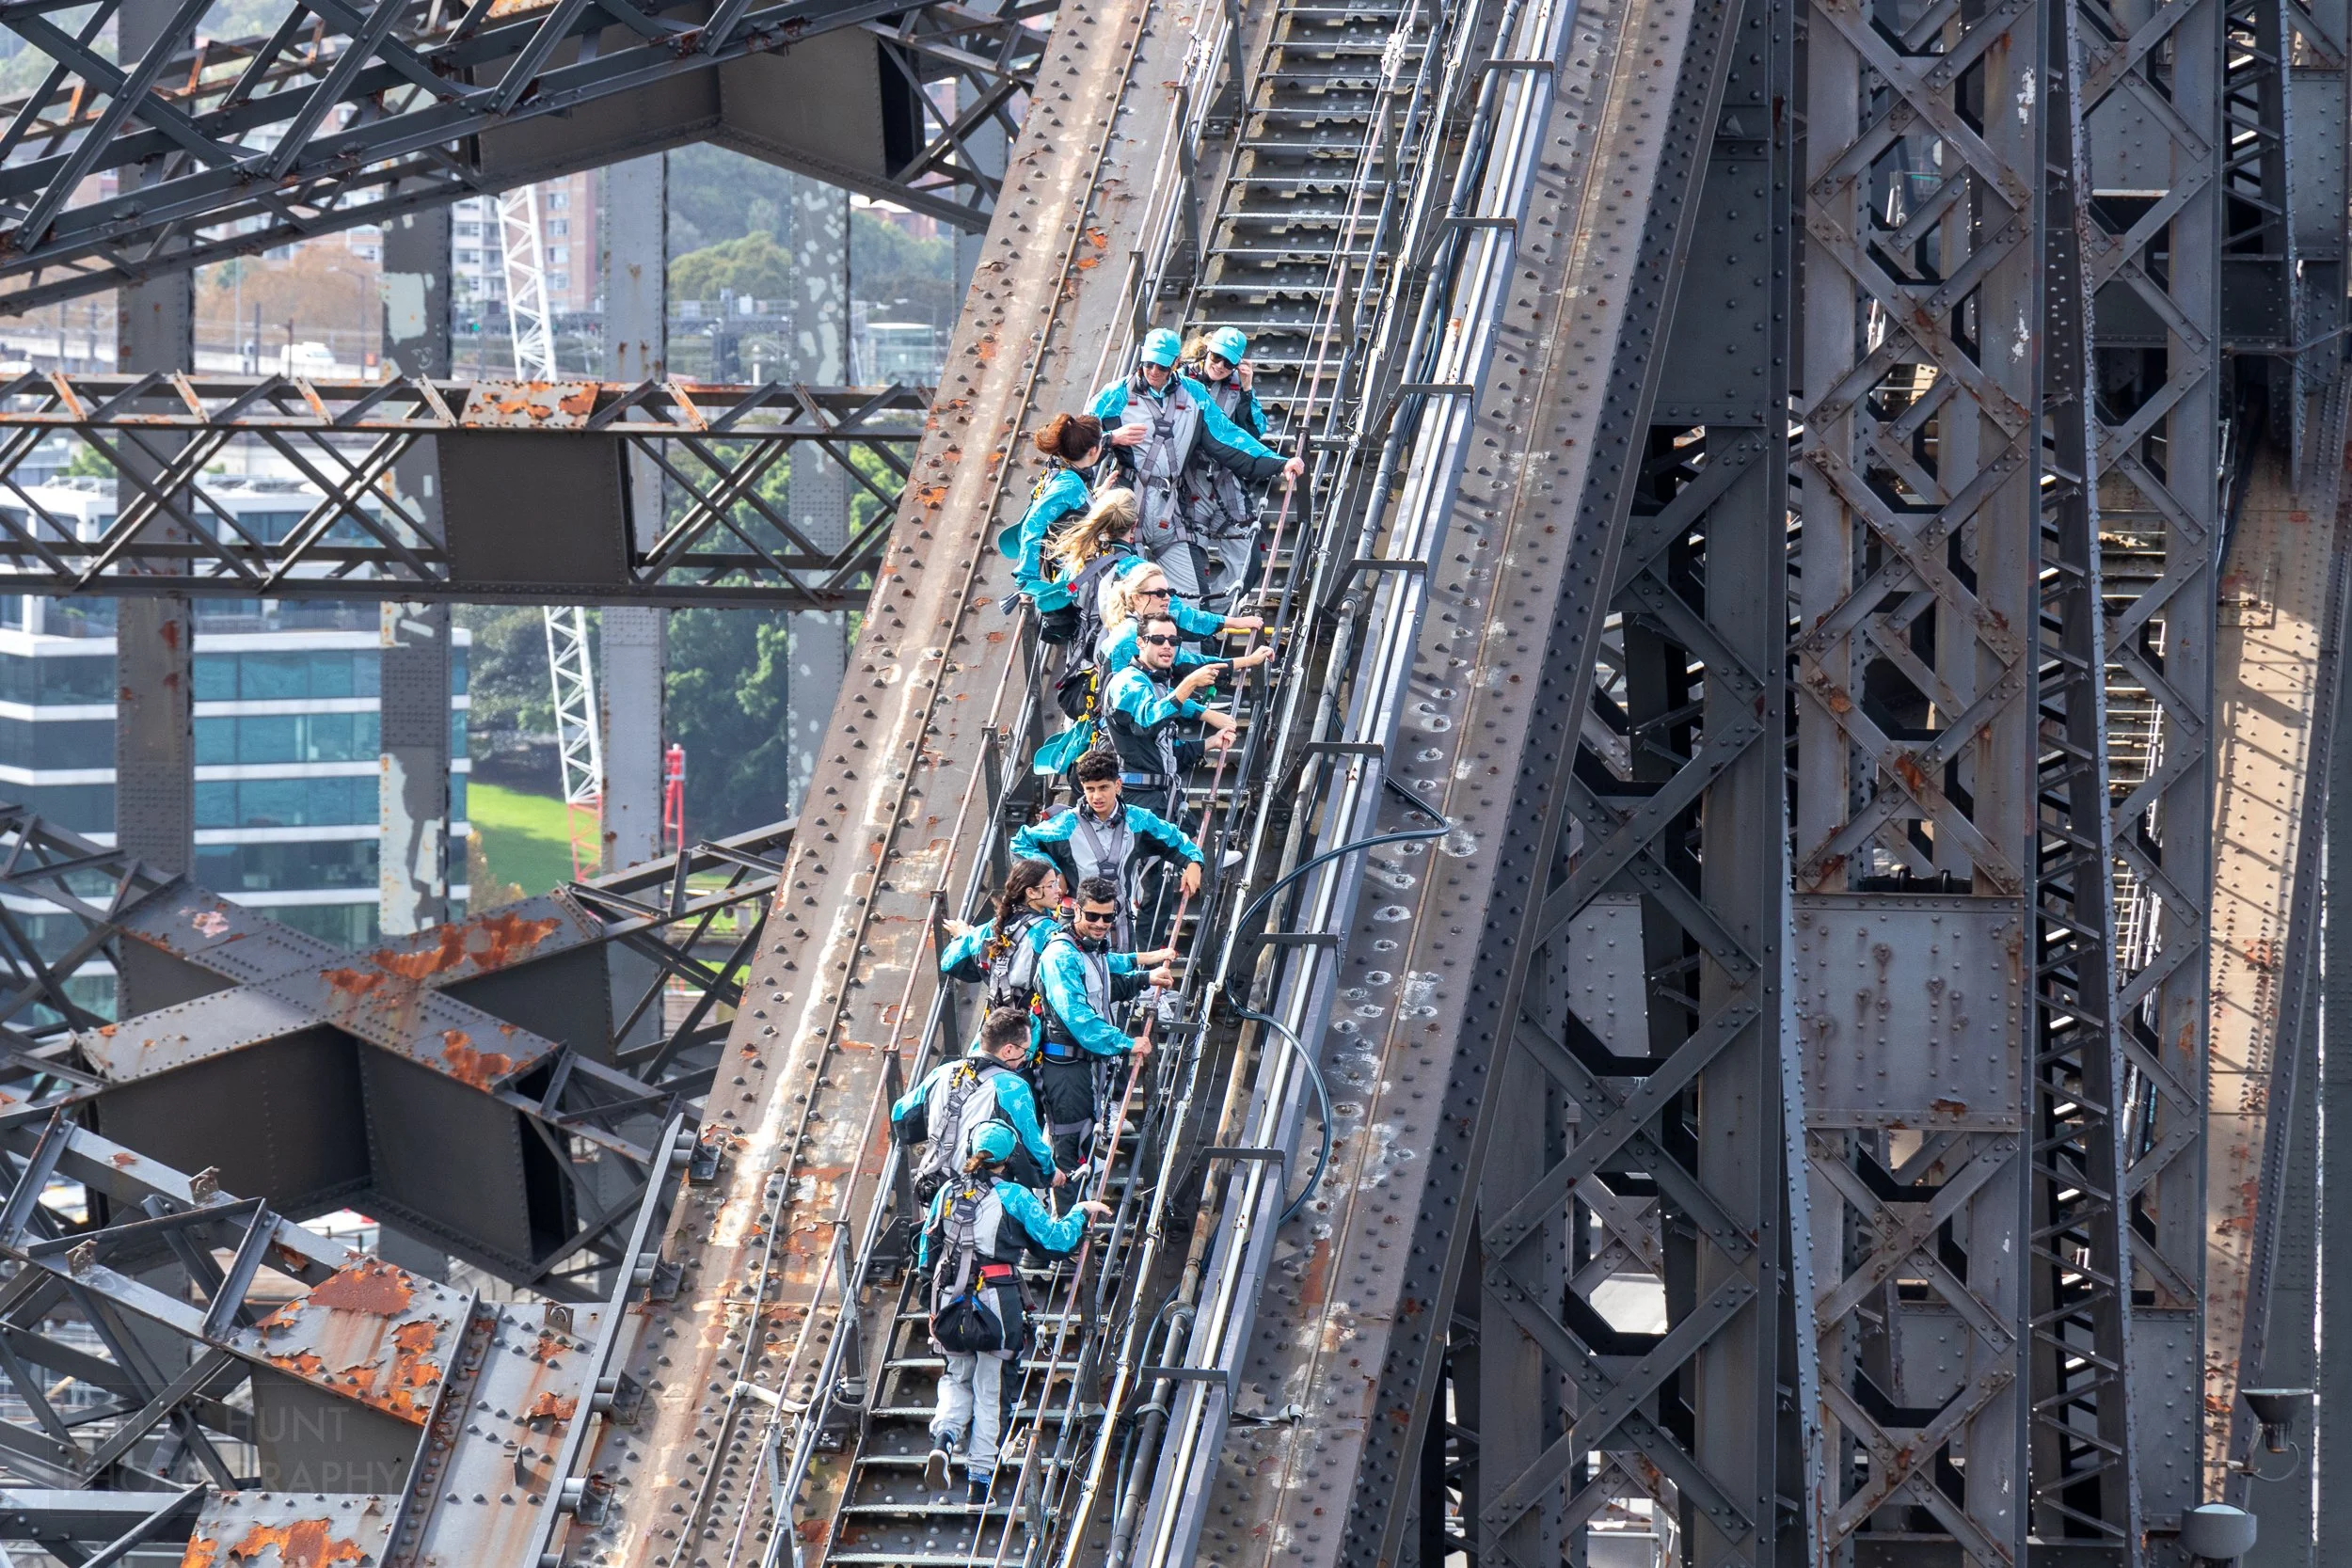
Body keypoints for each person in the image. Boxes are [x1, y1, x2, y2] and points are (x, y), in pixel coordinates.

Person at [921, 1121, 1111, 1506]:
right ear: (1009, 1158)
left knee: (957, 1377)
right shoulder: (1015, 1197)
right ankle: (978, 1485)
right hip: (995, 1303)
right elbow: (1054, 1241)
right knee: (991, 1390)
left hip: (947, 1303)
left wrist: (932, 1302)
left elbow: (927, 1250)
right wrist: (1080, 1211)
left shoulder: (945, 1192)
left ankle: (944, 1440)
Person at [1091, 328, 1303, 599]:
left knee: (1194, 596)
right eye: (1149, 364)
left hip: (1185, 500)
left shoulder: (1194, 393)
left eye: (1162, 366)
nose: (1154, 371)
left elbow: (1231, 436)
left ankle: (1206, 625)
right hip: (1138, 500)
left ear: (1174, 364)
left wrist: (1278, 463)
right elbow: (1078, 438)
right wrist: (1111, 439)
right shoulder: (1116, 394)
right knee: (1123, 591)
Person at [1033, 876, 1175, 1177]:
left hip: (1085, 1064)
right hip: (1066, 1069)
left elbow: (1106, 975)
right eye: (1093, 916)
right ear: (1078, 911)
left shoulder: (1088, 949)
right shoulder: (1062, 956)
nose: (1101, 923)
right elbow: (1079, 1018)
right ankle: (1068, 1218)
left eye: (1108, 917)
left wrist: (1145, 976)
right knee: (1068, 1155)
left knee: (1081, 1143)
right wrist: (1126, 1043)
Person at [1013, 747, 1203, 950]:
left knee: (1121, 978)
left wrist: (1194, 862)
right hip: (1074, 928)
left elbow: (1175, 839)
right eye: (1090, 789)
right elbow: (1020, 842)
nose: (1097, 796)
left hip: (1120, 924)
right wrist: (1053, 871)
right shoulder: (1065, 825)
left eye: (1104, 787)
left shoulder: (1137, 820)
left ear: (1118, 785)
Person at [892, 1007, 1058, 1198]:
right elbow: (1031, 1143)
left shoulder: (943, 1072)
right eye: (1025, 1051)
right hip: (985, 1197)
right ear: (1009, 1050)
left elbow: (901, 1115)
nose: (1024, 1059)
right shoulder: (1011, 1087)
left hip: (937, 1190)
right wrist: (1050, 1173)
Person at [1100, 610, 1238, 804]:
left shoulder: (1156, 683)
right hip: (1137, 798)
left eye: (1173, 641)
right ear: (1140, 642)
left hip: (1165, 794)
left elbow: (1167, 752)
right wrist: (1189, 683)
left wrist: (1210, 742)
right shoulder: (1128, 682)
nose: (1167, 646)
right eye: (1158, 639)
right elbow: (1147, 722)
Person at [1175, 327, 1272, 604]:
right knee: (1188, 566)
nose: (1220, 366)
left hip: (1224, 485)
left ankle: (1211, 615)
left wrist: (1246, 389)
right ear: (1207, 351)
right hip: (1184, 486)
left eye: (1228, 363)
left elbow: (1253, 434)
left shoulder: (1237, 389)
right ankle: (1193, 626)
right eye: (1216, 358)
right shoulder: (1179, 379)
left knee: (1248, 565)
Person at [999, 413, 1104, 637]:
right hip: (1073, 578)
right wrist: (1027, 579)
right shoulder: (1070, 484)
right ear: (1094, 450)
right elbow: (1032, 524)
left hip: (1074, 573)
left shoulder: (1060, 470)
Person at [941, 858, 1067, 1015]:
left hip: (1000, 1016)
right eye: (1051, 885)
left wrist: (964, 937)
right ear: (1031, 892)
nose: (1058, 890)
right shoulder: (1050, 930)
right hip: (1035, 1023)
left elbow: (949, 962)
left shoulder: (997, 923)